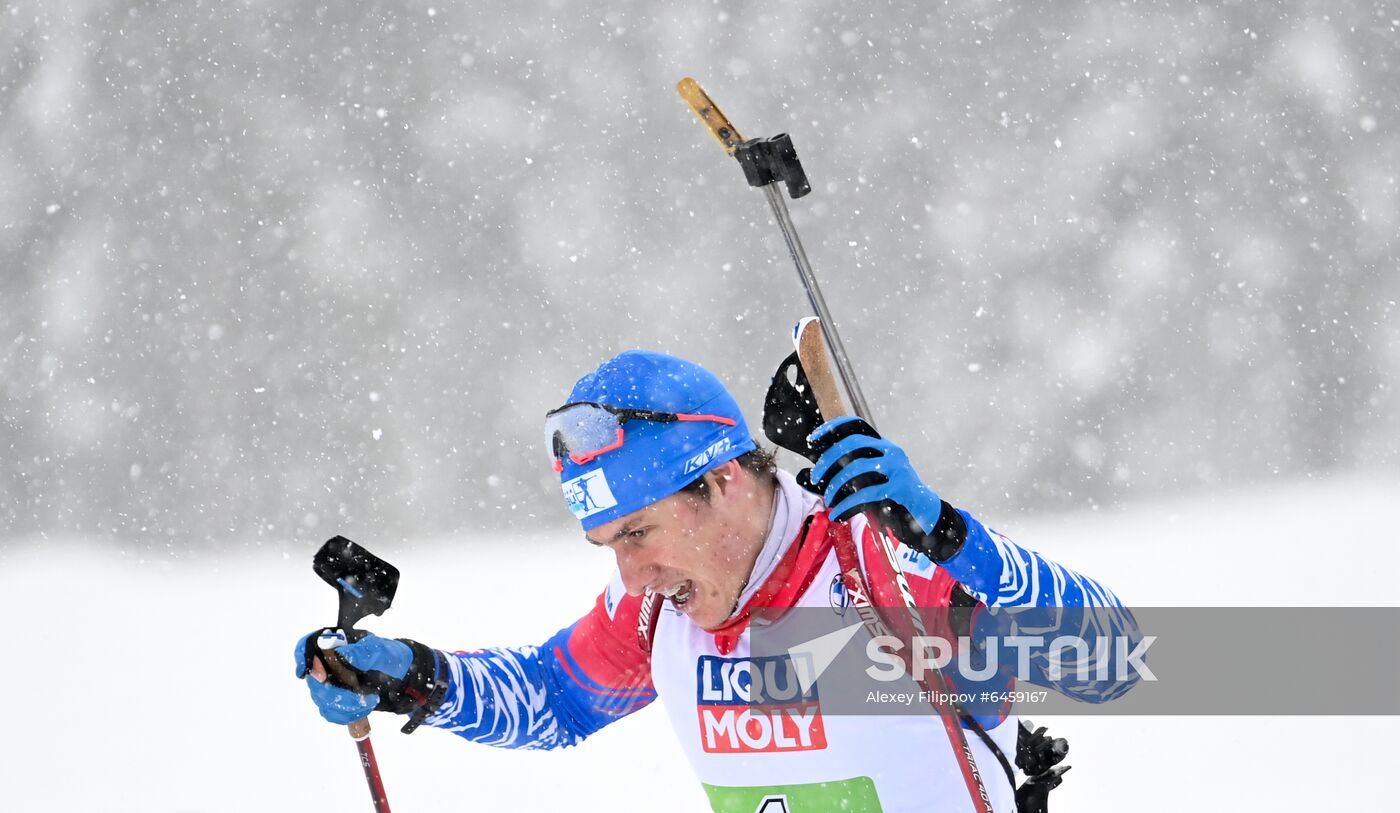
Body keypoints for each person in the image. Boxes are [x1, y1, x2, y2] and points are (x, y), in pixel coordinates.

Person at [295, 350, 1141, 813]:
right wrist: (412, 677)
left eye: (640, 532)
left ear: (726, 480)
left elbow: (1111, 662)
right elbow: (557, 696)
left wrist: (956, 539)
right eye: (606, 544)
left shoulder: (876, 567)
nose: (630, 573)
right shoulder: (660, 611)